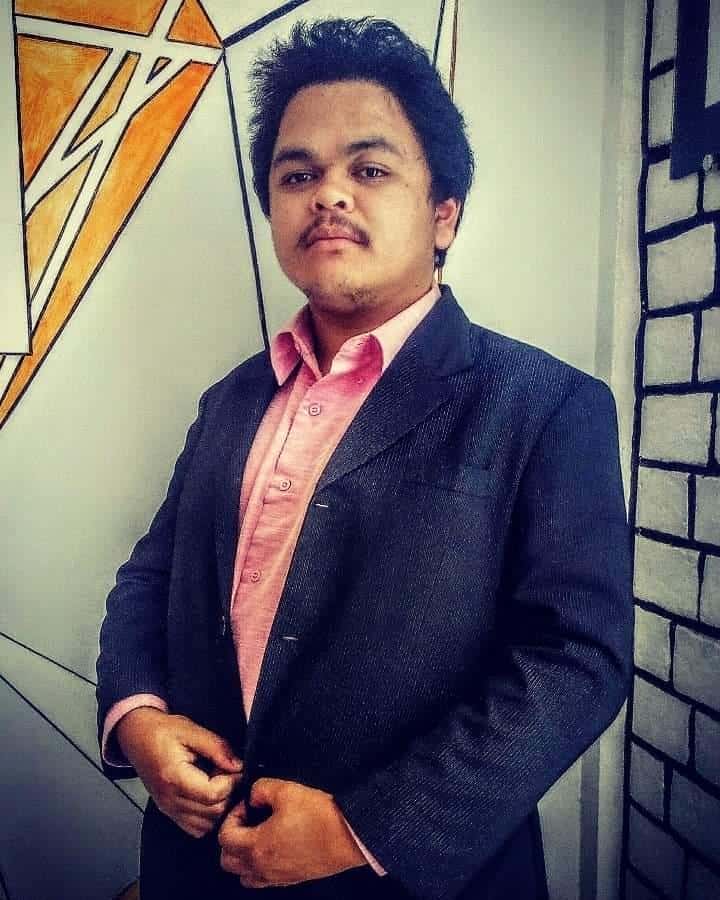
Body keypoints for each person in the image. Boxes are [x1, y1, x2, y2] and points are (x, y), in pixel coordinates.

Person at [96, 17, 632, 900]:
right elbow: (152, 577)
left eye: (370, 170)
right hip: (195, 863)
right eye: (297, 174)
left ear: (444, 214)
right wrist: (137, 717)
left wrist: (365, 828)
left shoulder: (544, 405)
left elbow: (575, 658)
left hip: (406, 879)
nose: (328, 196)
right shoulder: (230, 401)